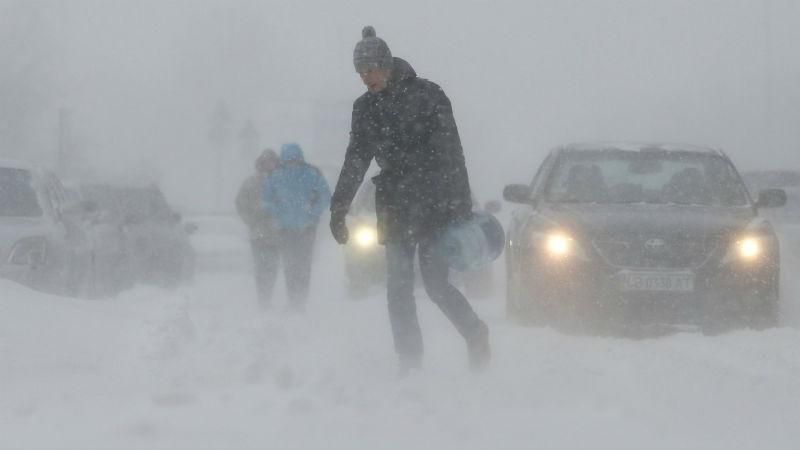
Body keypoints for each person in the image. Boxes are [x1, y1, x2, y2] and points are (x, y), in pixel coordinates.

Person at [329, 26, 490, 374]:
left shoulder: (428, 95)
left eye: (370, 70)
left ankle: (476, 333)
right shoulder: (365, 109)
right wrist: (339, 207)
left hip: (436, 204)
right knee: (398, 288)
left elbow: (452, 153)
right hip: (395, 205)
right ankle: (410, 360)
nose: (365, 78)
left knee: (436, 285)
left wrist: (460, 206)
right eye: (360, 73)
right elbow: (356, 159)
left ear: (386, 65)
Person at [262, 143, 331, 311]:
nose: (293, 162)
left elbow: (325, 195)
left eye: (294, 159)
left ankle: (298, 301)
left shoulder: (281, 176)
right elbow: (266, 200)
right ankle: (296, 301)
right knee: (295, 265)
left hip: (298, 228)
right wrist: (311, 213)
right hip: (294, 228)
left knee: (298, 265)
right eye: (290, 159)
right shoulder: (308, 174)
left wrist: (312, 213)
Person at [236, 148, 280, 309]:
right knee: (261, 267)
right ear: (261, 164)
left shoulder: (280, 182)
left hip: (275, 233)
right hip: (258, 232)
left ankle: (267, 297)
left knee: (272, 267)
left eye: (273, 161)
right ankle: (263, 299)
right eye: (267, 162)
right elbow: (240, 203)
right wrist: (250, 220)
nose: (270, 165)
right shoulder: (250, 182)